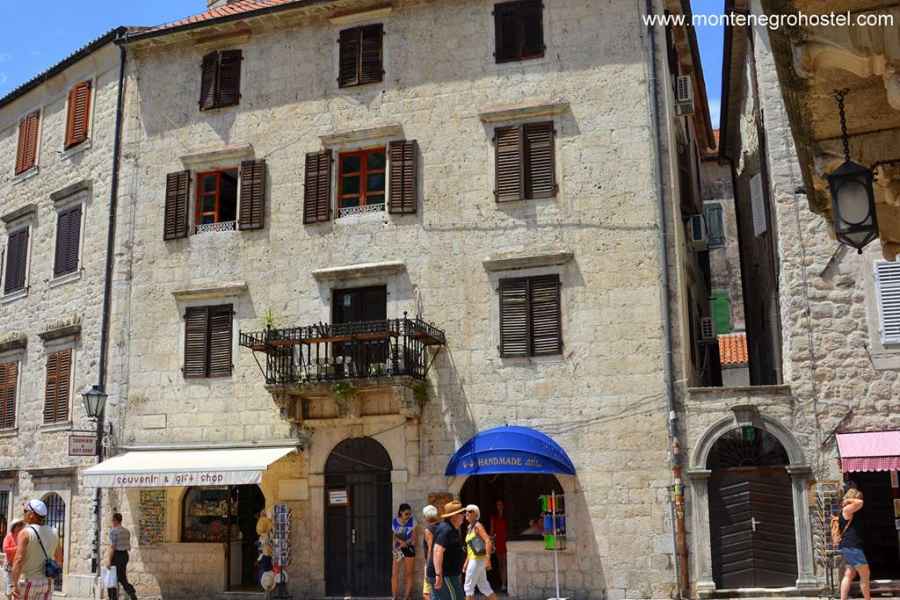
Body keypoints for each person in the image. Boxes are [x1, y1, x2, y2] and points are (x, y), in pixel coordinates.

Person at [10, 499, 61, 600]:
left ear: (31, 515)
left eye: (25, 511)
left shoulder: (25, 533)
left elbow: (18, 560)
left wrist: (14, 584)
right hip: (47, 583)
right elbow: (59, 558)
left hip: (29, 581)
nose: (24, 514)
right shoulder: (54, 532)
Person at [430, 501, 466, 600]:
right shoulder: (446, 530)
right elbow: (437, 551)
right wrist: (438, 574)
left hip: (448, 575)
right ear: (454, 516)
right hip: (446, 575)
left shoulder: (451, 529)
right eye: (461, 513)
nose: (464, 515)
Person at [838, 488, 870, 600]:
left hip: (848, 546)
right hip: (853, 546)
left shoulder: (846, 510)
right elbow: (860, 503)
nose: (861, 499)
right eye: (859, 497)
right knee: (865, 574)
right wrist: (849, 500)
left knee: (849, 574)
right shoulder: (847, 509)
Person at [462, 505, 495, 600]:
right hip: (475, 560)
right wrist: (466, 562)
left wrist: (488, 559)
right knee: (484, 586)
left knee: (468, 587)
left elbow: (488, 541)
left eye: (470, 511)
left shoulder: (477, 526)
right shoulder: (469, 527)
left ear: (476, 514)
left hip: (476, 560)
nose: (467, 513)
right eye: (466, 511)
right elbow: (470, 548)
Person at [106, 513, 137, 600]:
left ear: (115, 520)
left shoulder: (113, 531)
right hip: (125, 555)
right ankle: (131, 593)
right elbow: (128, 546)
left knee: (112, 578)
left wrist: (109, 560)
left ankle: (113, 598)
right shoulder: (126, 531)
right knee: (122, 577)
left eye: (112, 520)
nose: (112, 522)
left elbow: (113, 547)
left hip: (117, 555)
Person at [391, 503, 417, 600]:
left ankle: (406, 596)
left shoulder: (413, 521)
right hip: (398, 549)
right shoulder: (394, 522)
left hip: (409, 548)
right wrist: (400, 543)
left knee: (409, 573)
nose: (408, 516)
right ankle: (395, 596)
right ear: (401, 512)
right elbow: (394, 536)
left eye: (409, 514)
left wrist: (406, 543)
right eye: (406, 514)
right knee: (394, 573)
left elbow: (414, 538)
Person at [420, 505, 440, 600]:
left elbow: (430, 550)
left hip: (432, 563)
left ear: (426, 517)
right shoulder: (441, 527)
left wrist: (428, 566)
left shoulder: (428, 530)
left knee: (426, 593)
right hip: (440, 562)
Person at [489, 500, 508, 592]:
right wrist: (492, 543)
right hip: (498, 541)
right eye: (497, 504)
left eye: (500, 504)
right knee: (500, 564)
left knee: (505, 563)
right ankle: (503, 583)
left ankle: (505, 583)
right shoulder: (494, 518)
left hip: (506, 541)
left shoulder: (507, 516)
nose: (499, 506)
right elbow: (492, 531)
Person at [3, 520, 24, 600]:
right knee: (9, 585)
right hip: (9, 564)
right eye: (18, 526)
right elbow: (5, 549)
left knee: (16, 585)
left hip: (18, 564)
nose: (20, 527)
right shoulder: (9, 536)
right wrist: (17, 548)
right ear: (14, 527)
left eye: (21, 526)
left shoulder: (21, 536)